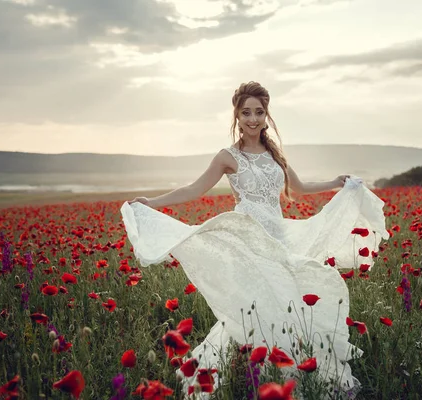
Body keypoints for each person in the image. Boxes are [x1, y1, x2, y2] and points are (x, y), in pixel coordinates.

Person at [121, 81, 390, 398]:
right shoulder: (228, 156)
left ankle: (293, 375)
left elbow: (298, 188)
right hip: (249, 240)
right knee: (259, 307)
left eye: (259, 112)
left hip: (278, 240)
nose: (253, 119)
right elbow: (193, 190)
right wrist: (151, 202)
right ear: (236, 115)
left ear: (266, 114)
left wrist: (335, 182)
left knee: (287, 306)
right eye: (246, 112)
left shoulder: (274, 152)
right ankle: (259, 378)